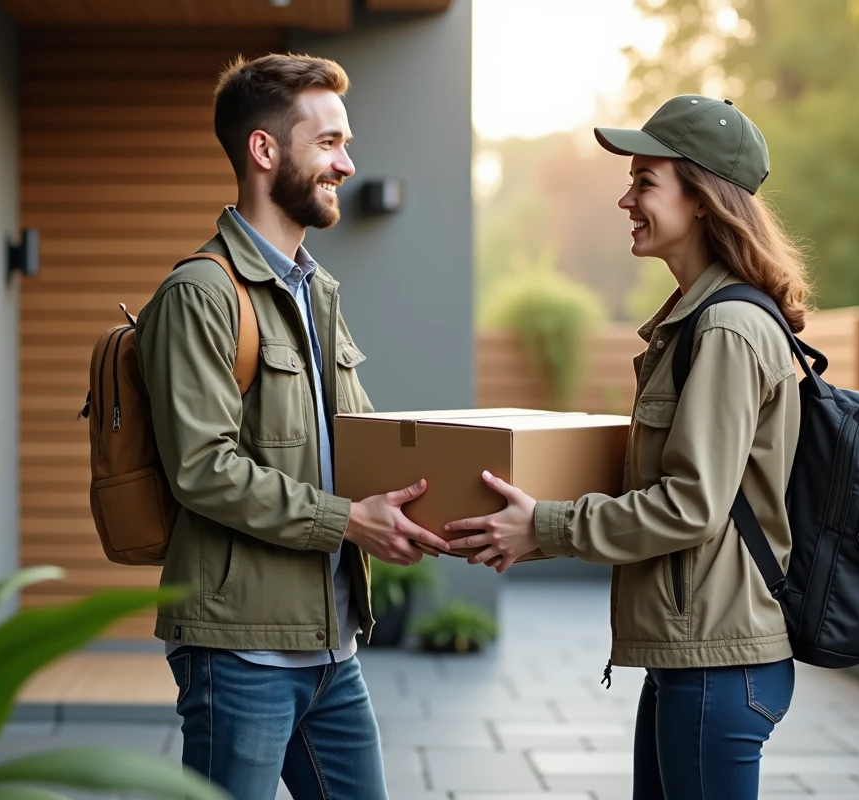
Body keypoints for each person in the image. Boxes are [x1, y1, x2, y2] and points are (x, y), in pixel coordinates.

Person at [444, 95, 812, 800]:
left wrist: (546, 525)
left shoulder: (727, 329)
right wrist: (534, 527)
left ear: (701, 198)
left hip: (717, 665)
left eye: (645, 181)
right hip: (695, 659)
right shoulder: (697, 321)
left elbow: (690, 506)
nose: (626, 200)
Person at [134, 53, 450, 800]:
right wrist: (349, 521)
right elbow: (202, 468)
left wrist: (442, 507)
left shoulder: (314, 290)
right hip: (239, 651)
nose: (347, 163)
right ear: (265, 150)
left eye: (346, 144)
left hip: (330, 649)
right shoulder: (201, 294)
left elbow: (352, 441)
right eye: (328, 142)